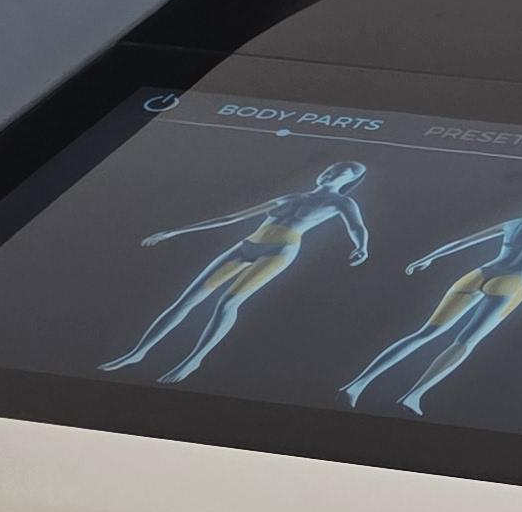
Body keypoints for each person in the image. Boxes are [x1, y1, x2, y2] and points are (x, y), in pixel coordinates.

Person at [344, 182, 522, 415]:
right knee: (465, 341)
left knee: (423, 334)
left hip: (478, 274)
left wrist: (428, 258)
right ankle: (413, 395)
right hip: (513, 282)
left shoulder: (517, 223)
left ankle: (357, 384)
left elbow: (462, 242)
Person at [103, 161, 370, 383]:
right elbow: (231, 219)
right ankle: (138, 352)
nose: (330, 174)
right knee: (187, 300)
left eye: (339, 173)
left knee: (228, 302)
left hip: (280, 250)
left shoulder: (343, 203)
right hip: (247, 246)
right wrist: (174, 231)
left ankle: (194, 360)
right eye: (330, 170)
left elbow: (356, 227)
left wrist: (362, 247)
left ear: (347, 180)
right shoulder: (290, 197)